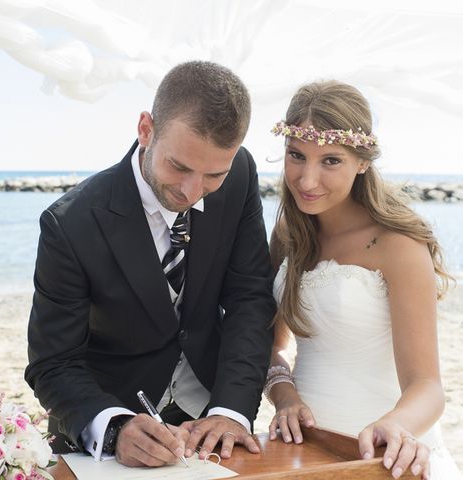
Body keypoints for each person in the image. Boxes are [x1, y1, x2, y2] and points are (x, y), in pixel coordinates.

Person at [25, 60, 276, 468]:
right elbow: (53, 362)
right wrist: (113, 427)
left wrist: (232, 411)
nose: (193, 191)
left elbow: (249, 297)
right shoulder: (70, 223)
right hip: (113, 428)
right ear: (146, 129)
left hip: (211, 419)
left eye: (213, 175)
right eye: (178, 167)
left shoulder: (241, 173)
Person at [265, 81, 463, 479]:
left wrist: (398, 425)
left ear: (362, 160)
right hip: (303, 452)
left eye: (331, 161)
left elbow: (427, 385)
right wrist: (284, 396)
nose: (307, 180)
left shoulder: (398, 244)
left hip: (380, 454)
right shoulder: (288, 232)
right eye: (296, 156)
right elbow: (270, 346)